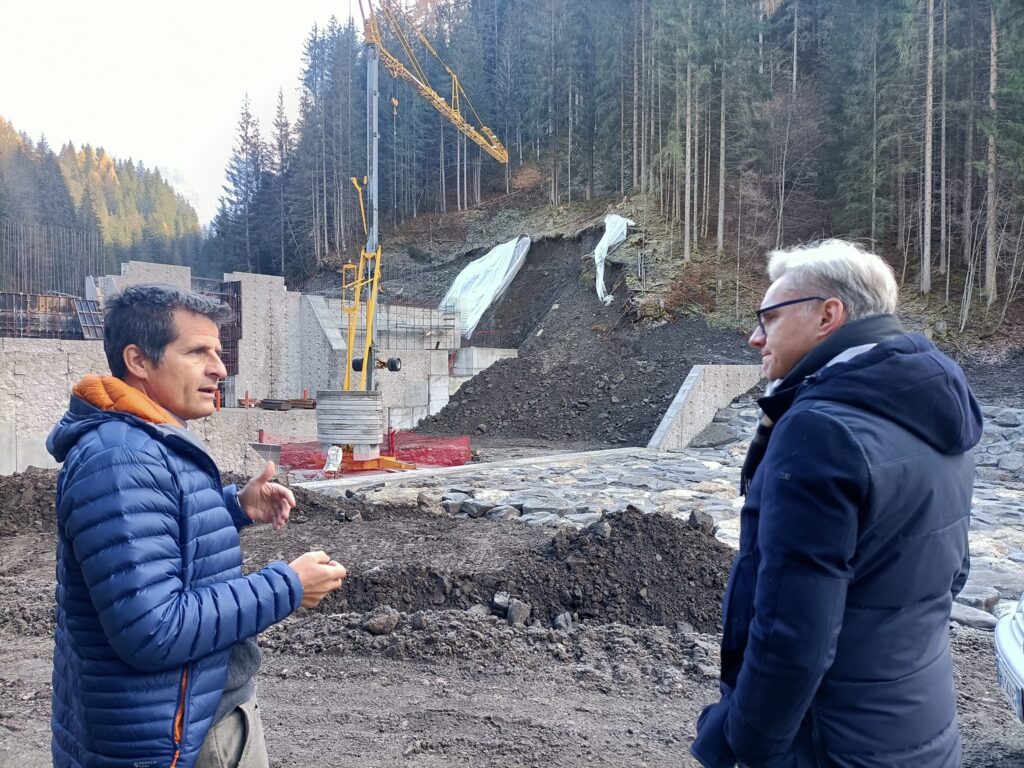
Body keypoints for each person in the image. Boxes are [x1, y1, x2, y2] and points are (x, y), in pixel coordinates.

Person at [691, 240, 982, 768]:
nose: (755, 336)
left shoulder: (821, 429)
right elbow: (952, 573)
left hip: (830, 742)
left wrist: (747, 745)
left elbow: (792, 633)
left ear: (829, 314)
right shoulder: (934, 408)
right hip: (919, 728)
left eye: (768, 317)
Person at [46, 284, 348, 768]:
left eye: (219, 350)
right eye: (198, 352)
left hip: (189, 715)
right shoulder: (121, 459)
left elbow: (157, 534)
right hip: (174, 739)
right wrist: (287, 587)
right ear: (139, 361)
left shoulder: (149, 441)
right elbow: (152, 628)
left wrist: (234, 506)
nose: (220, 368)